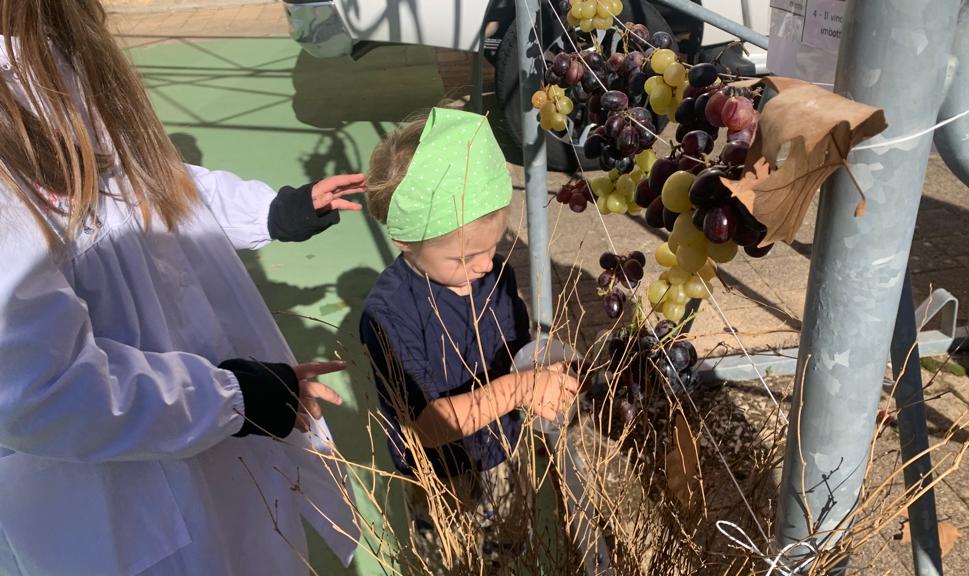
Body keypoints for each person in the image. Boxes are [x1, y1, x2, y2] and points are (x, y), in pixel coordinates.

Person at [0, 2, 362, 574]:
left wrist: (270, 211)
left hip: (203, 437)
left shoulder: (57, 49)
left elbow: (149, 182)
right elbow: (41, 390)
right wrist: (232, 398)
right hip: (121, 497)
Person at [359, 107, 580, 573]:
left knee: (510, 544)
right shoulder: (389, 314)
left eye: (493, 246)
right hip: (439, 477)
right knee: (452, 561)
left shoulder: (493, 276)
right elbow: (428, 425)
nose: (484, 265)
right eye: (464, 257)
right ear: (406, 241)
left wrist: (542, 371)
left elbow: (516, 351)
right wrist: (521, 388)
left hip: (502, 449)